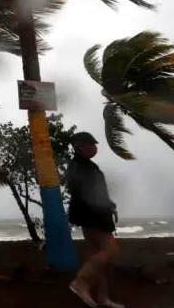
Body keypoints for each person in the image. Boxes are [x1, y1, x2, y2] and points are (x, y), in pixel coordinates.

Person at [66, 132, 123, 308]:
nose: (94, 148)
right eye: (90, 144)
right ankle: (80, 282)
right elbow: (86, 194)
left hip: (93, 215)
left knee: (100, 260)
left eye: (94, 144)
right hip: (93, 217)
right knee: (111, 250)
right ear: (79, 146)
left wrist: (110, 205)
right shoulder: (79, 167)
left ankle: (102, 298)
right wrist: (105, 207)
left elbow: (97, 193)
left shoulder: (87, 166)